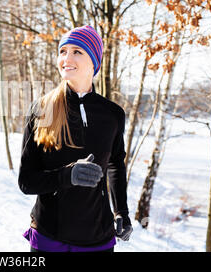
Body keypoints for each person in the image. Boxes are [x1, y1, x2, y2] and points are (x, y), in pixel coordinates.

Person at [18, 25, 132, 252]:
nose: (66, 58)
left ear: (94, 63)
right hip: (50, 237)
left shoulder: (112, 114)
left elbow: (115, 164)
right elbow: (26, 181)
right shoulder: (42, 109)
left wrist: (121, 212)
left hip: (97, 239)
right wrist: (67, 175)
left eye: (77, 52)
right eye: (63, 51)